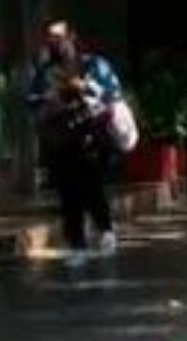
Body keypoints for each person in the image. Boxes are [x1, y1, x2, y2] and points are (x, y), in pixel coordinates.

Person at [25, 22, 124, 263]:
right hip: (60, 139)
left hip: (91, 137)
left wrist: (86, 87)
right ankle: (77, 243)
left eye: (59, 38)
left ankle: (106, 230)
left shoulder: (93, 64)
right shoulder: (45, 71)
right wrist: (48, 99)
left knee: (92, 187)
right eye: (50, 39)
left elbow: (113, 93)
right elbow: (30, 101)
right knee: (68, 193)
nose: (54, 43)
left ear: (71, 37)